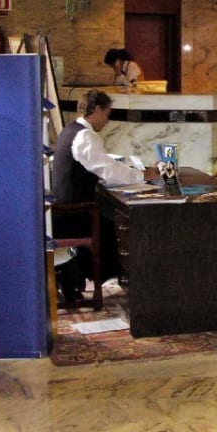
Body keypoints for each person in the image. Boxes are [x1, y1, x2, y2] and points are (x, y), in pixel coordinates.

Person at [52, 89, 159, 300]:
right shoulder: (85, 136)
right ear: (98, 110)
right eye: (107, 114)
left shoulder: (70, 130)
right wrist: (143, 175)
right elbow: (109, 171)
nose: (107, 120)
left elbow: (101, 167)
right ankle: (71, 274)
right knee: (115, 229)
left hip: (64, 209)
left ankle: (72, 275)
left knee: (111, 221)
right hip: (73, 215)